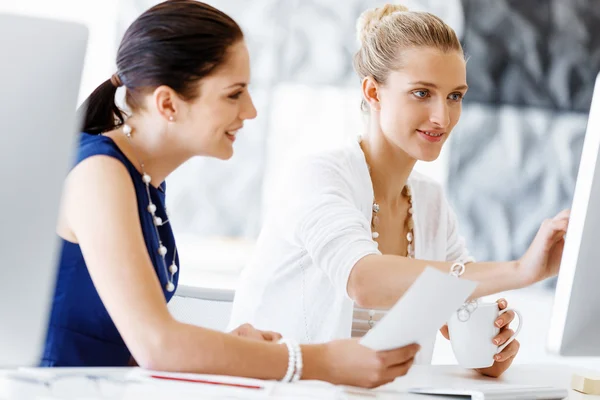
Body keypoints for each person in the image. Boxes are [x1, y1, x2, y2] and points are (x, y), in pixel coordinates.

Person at [42, 0, 422, 388]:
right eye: (234, 93)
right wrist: (320, 360)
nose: (251, 110)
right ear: (168, 103)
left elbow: (126, 345)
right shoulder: (99, 173)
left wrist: (228, 346)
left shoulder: (139, 179)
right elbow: (156, 344)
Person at [228, 4, 570, 378]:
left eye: (455, 96)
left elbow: (459, 315)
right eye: (422, 93)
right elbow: (365, 281)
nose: (442, 117)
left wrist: (488, 352)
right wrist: (520, 270)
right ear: (373, 92)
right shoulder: (318, 177)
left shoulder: (431, 204)